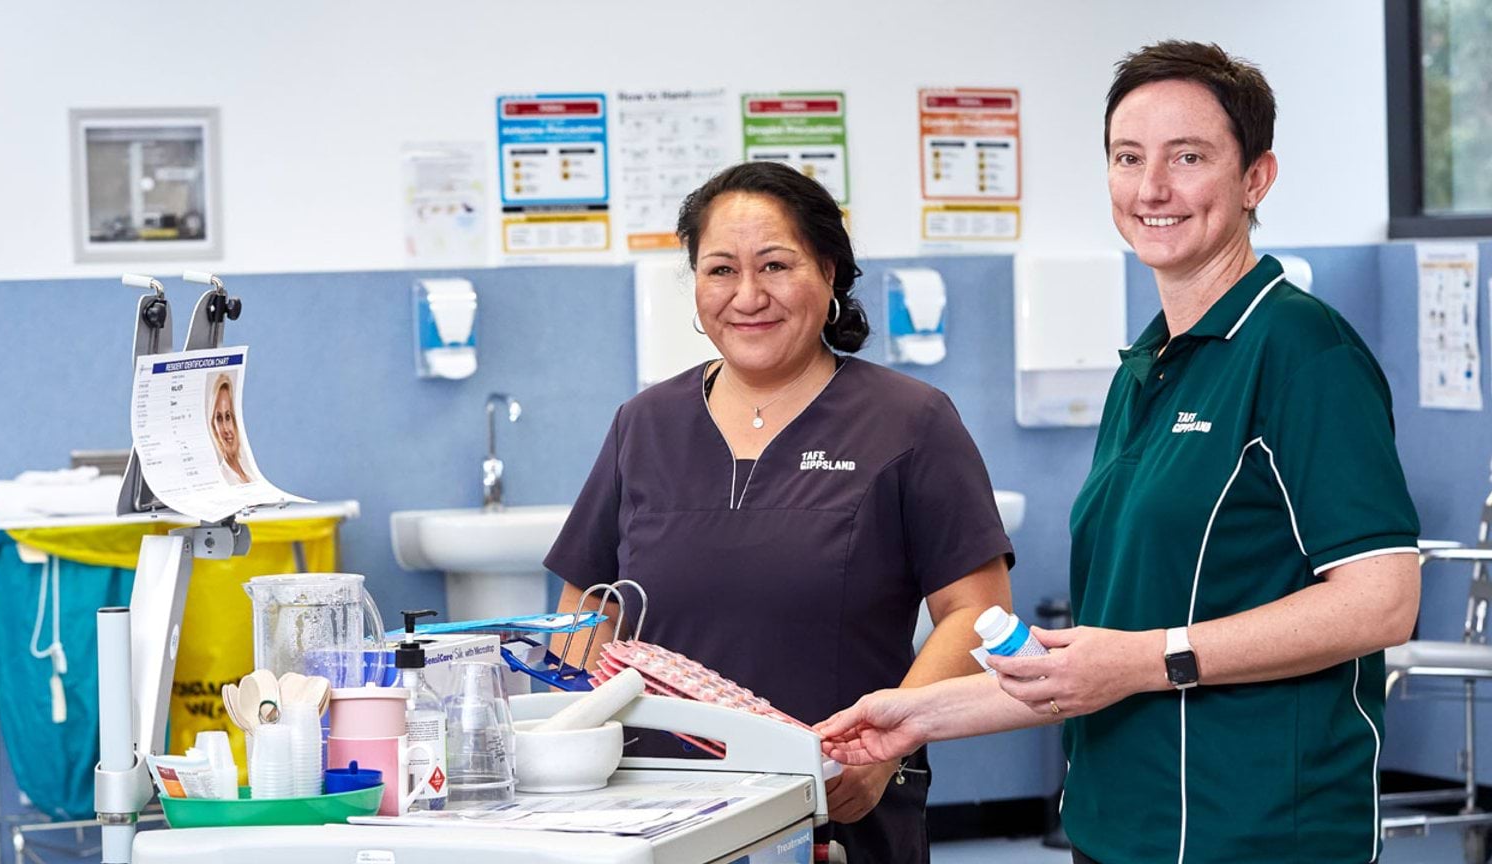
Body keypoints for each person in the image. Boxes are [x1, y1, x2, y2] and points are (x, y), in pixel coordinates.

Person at [816, 41, 1421, 864]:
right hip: (1117, 828)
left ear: (1256, 179)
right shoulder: (1145, 369)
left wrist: (1149, 658)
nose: (1152, 189)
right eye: (1128, 158)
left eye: (1189, 157)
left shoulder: (1303, 353)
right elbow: (1100, 664)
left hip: (1257, 832)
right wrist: (913, 718)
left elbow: (1381, 603)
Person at [543, 161, 1016, 863]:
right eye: (720, 270)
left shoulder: (909, 422)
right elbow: (584, 612)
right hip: (659, 805)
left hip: (841, 796)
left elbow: (978, 616)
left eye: (775, 265)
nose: (748, 295)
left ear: (828, 273)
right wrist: (580, 741)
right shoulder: (644, 424)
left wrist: (884, 747)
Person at [208, 372, 252, 485]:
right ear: (214, 427)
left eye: (228, 416)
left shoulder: (249, 473)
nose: (226, 429)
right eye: (219, 418)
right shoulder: (222, 478)